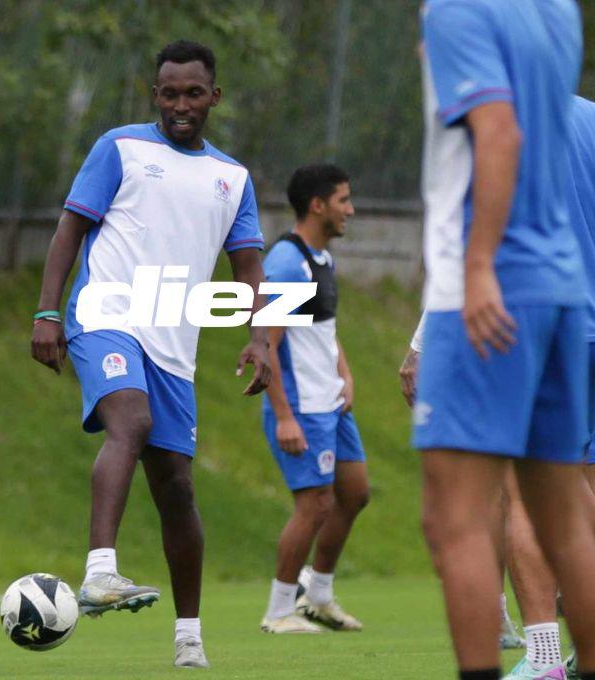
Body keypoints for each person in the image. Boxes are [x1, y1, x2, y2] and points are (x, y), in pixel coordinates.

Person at [30, 40, 270, 669]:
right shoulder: (120, 148)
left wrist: (261, 339)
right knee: (129, 422)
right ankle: (100, 570)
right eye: (169, 93)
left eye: (194, 93)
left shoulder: (233, 178)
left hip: (173, 347)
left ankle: (189, 638)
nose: (180, 105)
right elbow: (70, 229)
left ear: (214, 97)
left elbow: (250, 270)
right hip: (104, 316)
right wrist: (47, 311)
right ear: (154, 94)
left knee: (178, 491)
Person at [414, 2, 595, 679]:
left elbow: (499, 134)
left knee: (457, 520)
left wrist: (477, 267)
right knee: (563, 518)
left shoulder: (457, 9)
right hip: (564, 286)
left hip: (493, 285)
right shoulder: (556, 8)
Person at [258, 164, 368, 634]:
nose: (351, 209)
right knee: (315, 505)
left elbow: (323, 328)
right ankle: (279, 611)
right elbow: (268, 342)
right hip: (302, 406)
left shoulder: (323, 259)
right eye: (343, 200)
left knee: (354, 493)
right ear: (318, 205)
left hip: (331, 401)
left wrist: (344, 372)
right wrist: (283, 415)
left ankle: (318, 596)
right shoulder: (287, 261)